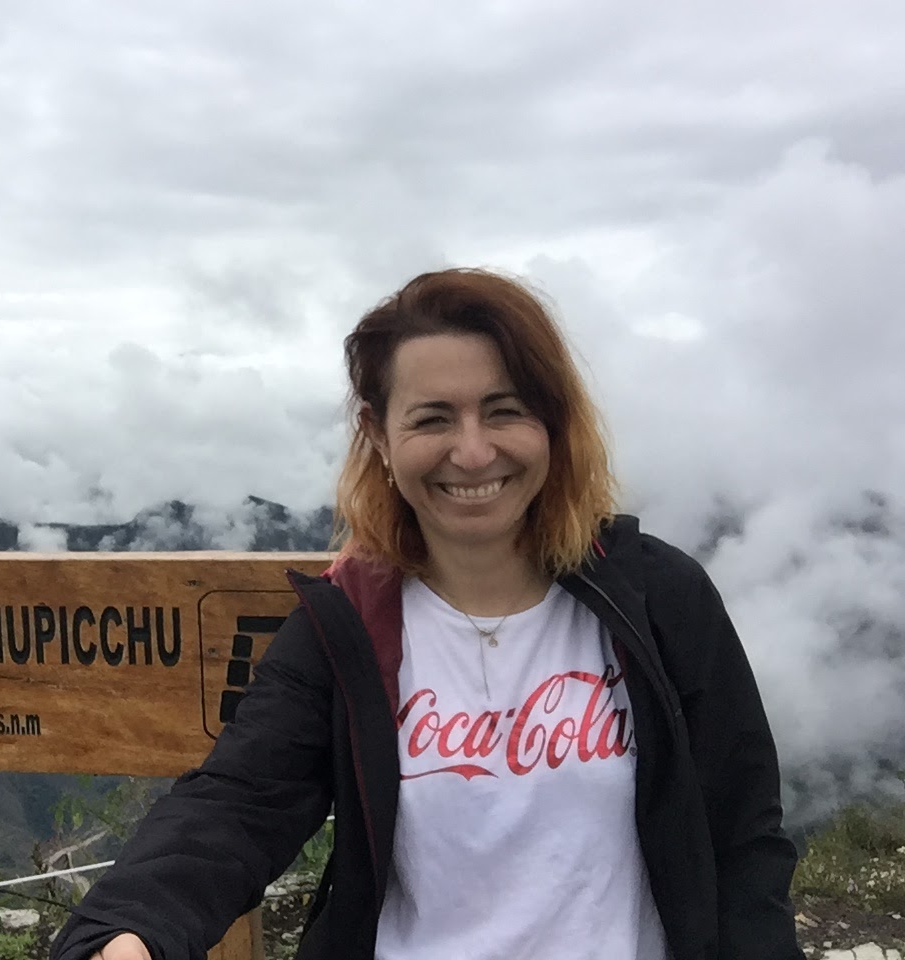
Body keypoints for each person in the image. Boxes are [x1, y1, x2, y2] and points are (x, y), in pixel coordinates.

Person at [50, 268, 804, 960]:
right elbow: (241, 801)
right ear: (379, 434)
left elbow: (743, 835)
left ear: (552, 422)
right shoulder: (347, 625)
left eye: (504, 411)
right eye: (433, 419)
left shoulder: (659, 599)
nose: (472, 453)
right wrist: (128, 929)